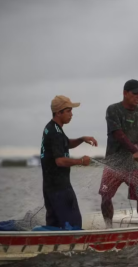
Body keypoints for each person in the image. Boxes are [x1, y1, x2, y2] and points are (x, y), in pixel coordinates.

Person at [99, 79, 138, 228]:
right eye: (135, 93)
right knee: (105, 197)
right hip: (113, 164)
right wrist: (134, 150)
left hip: (134, 165)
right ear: (125, 93)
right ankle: (108, 228)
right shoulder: (113, 110)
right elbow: (118, 134)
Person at [40, 95, 98, 229]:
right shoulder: (56, 133)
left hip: (50, 187)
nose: (71, 115)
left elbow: (65, 144)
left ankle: (52, 249)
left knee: (54, 226)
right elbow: (60, 161)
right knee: (74, 225)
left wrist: (82, 139)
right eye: (68, 111)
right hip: (60, 188)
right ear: (58, 112)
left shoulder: (53, 128)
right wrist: (81, 161)